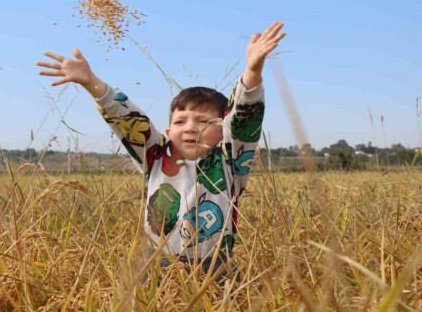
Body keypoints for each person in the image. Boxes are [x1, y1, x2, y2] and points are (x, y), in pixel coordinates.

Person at [36, 22, 286, 283]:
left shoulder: (229, 161)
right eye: (180, 122)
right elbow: (128, 120)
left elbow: (244, 120)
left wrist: (252, 72)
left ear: (223, 129)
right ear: (168, 129)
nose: (190, 128)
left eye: (202, 122)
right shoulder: (154, 155)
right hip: (158, 262)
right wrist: (92, 83)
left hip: (216, 265)